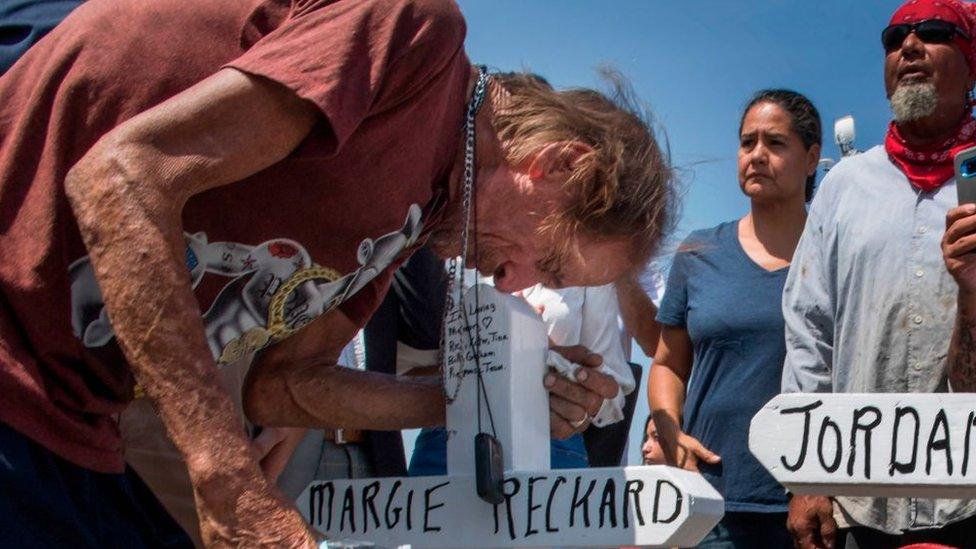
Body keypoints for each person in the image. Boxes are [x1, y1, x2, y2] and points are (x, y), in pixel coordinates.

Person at [0, 0, 675, 544]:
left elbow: (282, 385)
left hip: (70, 418)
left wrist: (486, 396)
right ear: (557, 165)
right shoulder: (414, 36)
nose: (512, 282)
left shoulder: (425, 208)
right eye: (548, 261)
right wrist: (226, 473)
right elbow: (119, 178)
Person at [783, 1, 976, 547]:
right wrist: (809, 477)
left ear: (972, 63)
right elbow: (808, 333)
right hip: (860, 500)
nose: (909, 47)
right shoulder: (844, 186)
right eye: (895, 39)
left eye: (936, 32)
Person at [651, 89, 822, 548]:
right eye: (748, 143)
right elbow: (668, 363)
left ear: (812, 158)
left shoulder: (835, 257)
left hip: (812, 508)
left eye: (775, 143)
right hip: (710, 506)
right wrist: (668, 428)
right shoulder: (698, 253)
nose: (758, 155)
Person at [408, 282, 636, 474]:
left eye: (557, 275)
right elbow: (404, 366)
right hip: (445, 443)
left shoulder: (590, 265)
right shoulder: (451, 245)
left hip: (553, 449)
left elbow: (612, 396)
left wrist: (567, 380)